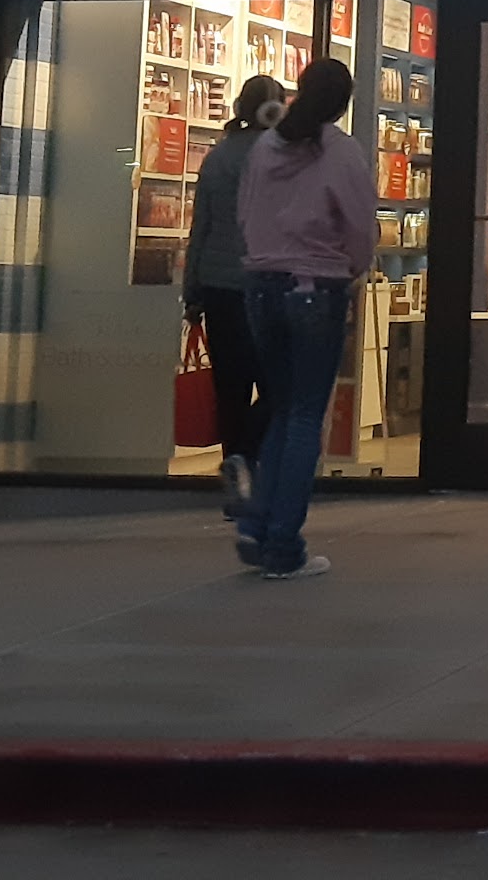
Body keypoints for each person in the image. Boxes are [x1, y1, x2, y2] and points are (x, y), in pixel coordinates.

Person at [235, 56, 375, 581]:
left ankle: (256, 526)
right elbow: (359, 224)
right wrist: (353, 267)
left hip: (261, 286)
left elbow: (245, 214)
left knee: (281, 407)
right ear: (342, 103)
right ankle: (282, 547)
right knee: (303, 417)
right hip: (316, 289)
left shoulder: (264, 147)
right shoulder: (340, 151)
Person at [182, 74, 287, 519]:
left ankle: (237, 483)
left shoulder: (218, 157)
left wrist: (193, 292)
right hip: (267, 285)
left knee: (231, 389)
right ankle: (252, 461)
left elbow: (201, 228)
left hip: (219, 287)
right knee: (279, 385)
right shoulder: (282, 156)